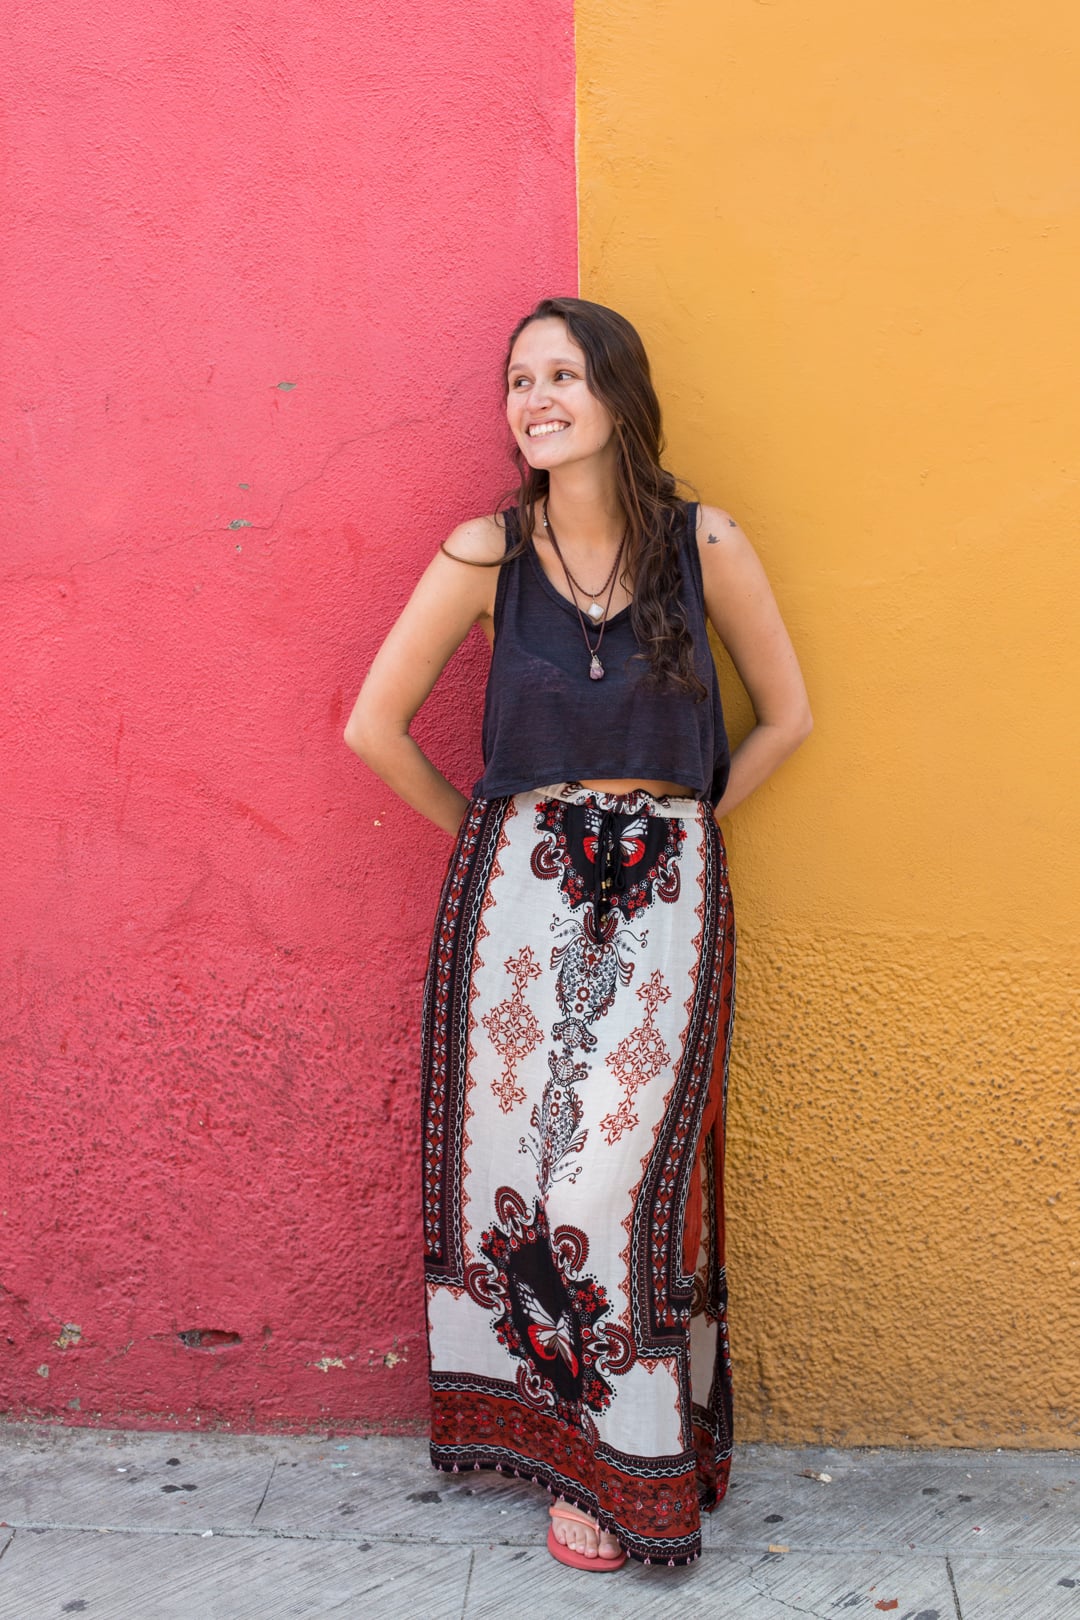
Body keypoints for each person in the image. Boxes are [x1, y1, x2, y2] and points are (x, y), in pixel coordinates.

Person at [344, 296, 811, 1571]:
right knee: (531, 1185)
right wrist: (493, 845)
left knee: (622, 1181)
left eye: (562, 374)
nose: (536, 399)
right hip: (515, 903)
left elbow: (787, 715)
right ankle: (570, 1457)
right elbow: (373, 728)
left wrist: (682, 832)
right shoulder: (484, 553)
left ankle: (635, 1456)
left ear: (618, 393)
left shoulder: (703, 542)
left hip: (666, 905)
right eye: (519, 380)